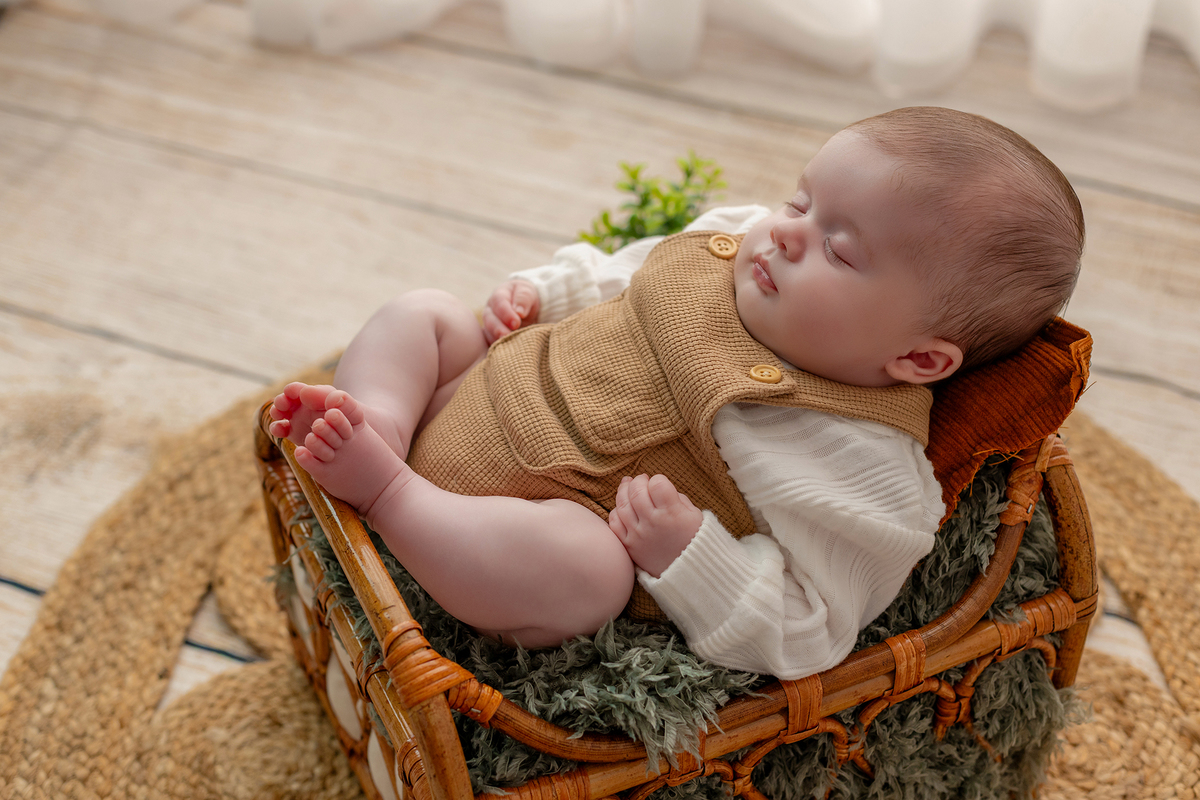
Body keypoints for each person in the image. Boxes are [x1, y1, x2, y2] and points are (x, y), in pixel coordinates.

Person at [268, 107, 1084, 678]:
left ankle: (388, 492)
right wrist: (542, 297)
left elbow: (814, 625)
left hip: (515, 523)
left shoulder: (859, 457)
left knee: (589, 575)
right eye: (802, 198)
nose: (787, 230)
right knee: (426, 315)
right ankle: (378, 415)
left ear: (917, 359)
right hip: (474, 389)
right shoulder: (733, 242)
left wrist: (690, 553)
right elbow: (626, 269)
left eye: (837, 249)